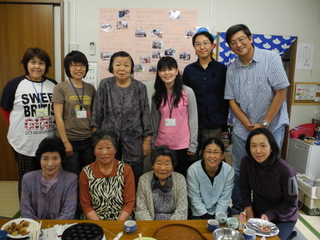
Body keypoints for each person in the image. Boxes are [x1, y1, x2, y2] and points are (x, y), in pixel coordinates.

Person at [224, 24, 290, 214]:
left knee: (270, 169)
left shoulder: (271, 58)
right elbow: (231, 101)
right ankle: (239, 207)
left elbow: (280, 92)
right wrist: (246, 123)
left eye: (241, 39)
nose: (238, 44)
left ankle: (269, 211)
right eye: (233, 42)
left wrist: (265, 124)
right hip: (243, 129)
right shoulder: (232, 69)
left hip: (272, 126)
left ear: (250, 38)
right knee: (238, 169)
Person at [0, 47, 57, 199]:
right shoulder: (14, 85)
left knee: (49, 179)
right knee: (27, 180)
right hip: (24, 142)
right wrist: (17, 128)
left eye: (41, 63)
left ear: (46, 66)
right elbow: (5, 110)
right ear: (26, 64)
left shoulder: (53, 85)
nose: (37, 67)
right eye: (33, 62)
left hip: (48, 142)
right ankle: (27, 213)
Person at [91, 51, 153, 184]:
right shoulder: (105, 85)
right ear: (112, 67)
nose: (122, 68)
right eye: (118, 64)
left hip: (134, 138)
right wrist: (96, 139)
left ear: (131, 68)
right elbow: (97, 111)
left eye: (126, 65)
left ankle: (135, 202)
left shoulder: (139, 87)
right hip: (108, 138)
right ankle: (111, 201)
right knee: (109, 171)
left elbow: (145, 113)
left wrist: (147, 140)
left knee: (135, 173)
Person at [240, 128, 298, 240]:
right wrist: (249, 212)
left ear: (271, 148)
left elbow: (291, 204)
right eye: (253, 146)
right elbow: (244, 188)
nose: (257, 151)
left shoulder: (286, 171)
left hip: (283, 218)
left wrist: (270, 215)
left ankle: (288, 234)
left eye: (263, 146)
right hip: (258, 214)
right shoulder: (246, 162)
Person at [182, 31, 228, 162]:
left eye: (205, 43)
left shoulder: (221, 69)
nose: (202, 47)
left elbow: (225, 98)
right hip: (191, 124)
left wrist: (224, 126)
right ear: (194, 48)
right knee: (191, 158)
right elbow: (183, 98)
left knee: (211, 159)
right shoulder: (189, 70)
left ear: (212, 46)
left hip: (214, 123)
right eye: (198, 44)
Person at [151, 56, 198, 176]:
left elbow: (193, 119)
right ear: (159, 73)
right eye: (162, 70)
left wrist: (193, 144)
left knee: (180, 177)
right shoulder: (157, 96)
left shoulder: (187, 92)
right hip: (161, 144)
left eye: (170, 69)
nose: (167, 73)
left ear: (177, 71)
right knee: (162, 176)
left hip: (182, 144)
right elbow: (154, 122)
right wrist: (152, 142)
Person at [52, 51, 96, 176]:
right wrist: (66, 142)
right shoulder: (60, 88)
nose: (78, 69)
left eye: (82, 65)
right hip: (70, 141)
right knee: (72, 178)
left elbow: (95, 114)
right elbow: (58, 117)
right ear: (67, 68)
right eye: (74, 65)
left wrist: (94, 137)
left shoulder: (90, 88)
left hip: (88, 141)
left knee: (88, 176)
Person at [79, 129, 135, 220]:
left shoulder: (126, 169)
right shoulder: (86, 171)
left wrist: (117, 224)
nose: (104, 152)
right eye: (100, 148)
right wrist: (100, 225)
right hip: (94, 219)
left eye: (108, 148)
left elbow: (129, 202)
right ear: (94, 151)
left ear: (115, 150)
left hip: (121, 218)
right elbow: (85, 204)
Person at [20, 137, 78, 219]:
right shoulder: (28, 178)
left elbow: (68, 213)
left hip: (60, 228)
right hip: (34, 228)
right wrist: (37, 229)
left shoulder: (71, 180)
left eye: (55, 158)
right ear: (39, 159)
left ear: (61, 159)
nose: (50, 164)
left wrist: (52, 230)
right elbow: (26, 211)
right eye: (45, 159)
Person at [135, 145, 188, 220]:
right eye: (159, 164)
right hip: (150, 223)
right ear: (153, 165)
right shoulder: (144, 180)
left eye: (167, 164)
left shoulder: (180, 179)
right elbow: (141, 210)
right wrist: (152, 227)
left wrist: (169, 228)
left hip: (173, 224)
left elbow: (182, 210)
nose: (163, 168)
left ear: (173, 166)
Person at [187, 138, 234, 219]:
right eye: (208, 152)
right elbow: (194, 198)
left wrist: (217, 217)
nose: (212, 156)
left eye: (216, 152)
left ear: (222, 155)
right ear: (203, 153)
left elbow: (225, 198)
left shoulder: (229, 171)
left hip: (221, 212)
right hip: (199, 213)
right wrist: (206, 216)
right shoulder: (193, 170)